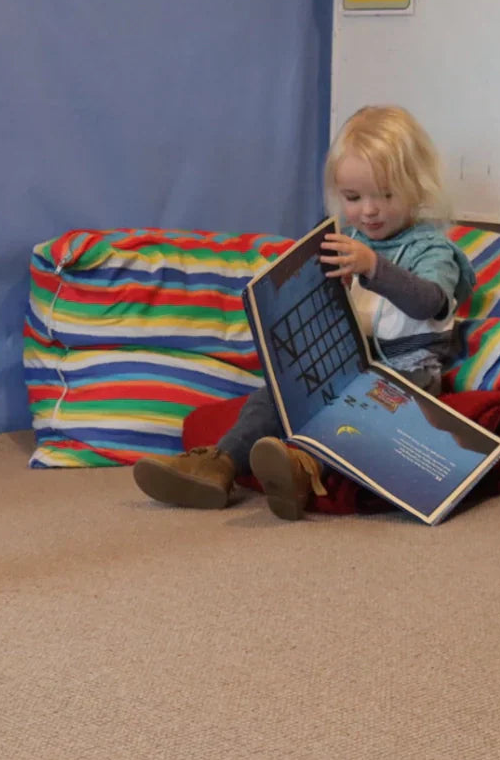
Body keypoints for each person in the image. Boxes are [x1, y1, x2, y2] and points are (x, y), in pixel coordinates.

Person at [132, 105, 476, 520]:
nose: (368, 210)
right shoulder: (343, 240)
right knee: (273, 396)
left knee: (359, 420)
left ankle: (303, 470)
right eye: (353, 198)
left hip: (407, 374)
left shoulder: (431, 249)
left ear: (418, 189)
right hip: (347, 365)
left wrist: (373, 268)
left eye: (386, 194)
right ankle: (218, 464)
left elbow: (428, 301)